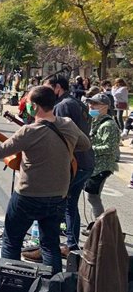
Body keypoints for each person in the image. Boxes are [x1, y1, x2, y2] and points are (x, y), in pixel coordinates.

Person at [0, 86, 90, 274]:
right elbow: (85, 144)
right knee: (50, 245)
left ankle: (11, 286)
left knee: (12, 241)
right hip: (58, 196)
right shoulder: (68, 125)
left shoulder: (29, 132)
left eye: (28, 102)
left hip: (28, 196)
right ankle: (53, 290)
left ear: (35, 107)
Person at [39, 76, 94, 259]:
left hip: (75, 163)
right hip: (84, 161)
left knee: (58, 203)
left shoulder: (62, 106)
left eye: (47, 88)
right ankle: (71, 246)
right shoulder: (77, 103)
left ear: (57, 88)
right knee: (70, 204)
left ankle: (51, 246)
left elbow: (57, 135)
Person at [84, 93, 120, 220]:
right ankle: (98, 226)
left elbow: (110, 148)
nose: (91, 106)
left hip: (102, 167)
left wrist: (89, 149)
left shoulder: (108, 125)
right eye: (90, 103)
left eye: (95, 104)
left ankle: (101, 228)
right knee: (93, 197)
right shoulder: (96, 121)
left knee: (93, 197)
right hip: (96, 166)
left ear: (105, 107)